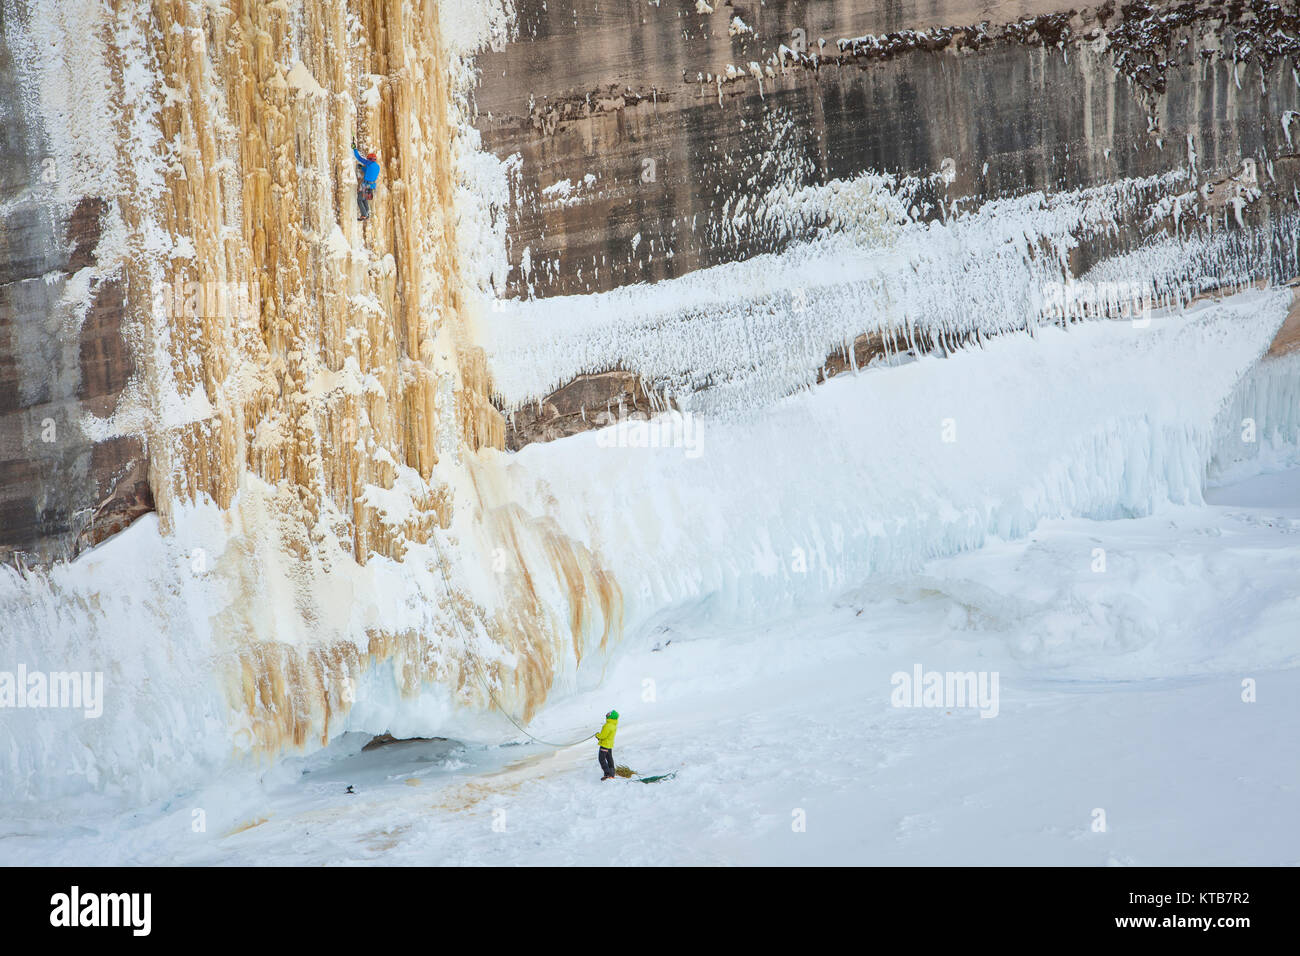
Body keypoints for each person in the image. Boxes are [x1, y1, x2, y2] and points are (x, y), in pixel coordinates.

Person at [353, 144, 380, 221]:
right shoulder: (377, 166)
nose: (366, 161)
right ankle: (367, 213)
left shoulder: (369, 163)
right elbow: (369, 171)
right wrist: (362, 168)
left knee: (359, 199)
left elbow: (358, 157)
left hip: (367, 185)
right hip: (372, 186)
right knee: (364, 199)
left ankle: (364, 214)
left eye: (368, 159)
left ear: (370, 160)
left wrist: (354, 149)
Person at [596, 710, 619, 780]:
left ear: (611, 716)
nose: (607, 715)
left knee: (602, 759)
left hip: (604, 745)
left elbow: (603, 735)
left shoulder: (608, 725)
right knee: (609, 759)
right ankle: (612, 774)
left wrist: (597, 735)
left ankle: (607, 774)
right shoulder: (613, 725)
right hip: (609, 745)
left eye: (609, 714)